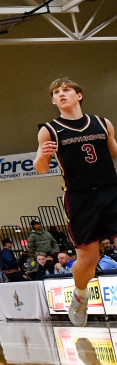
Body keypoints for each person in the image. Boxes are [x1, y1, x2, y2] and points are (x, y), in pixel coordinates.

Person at [34, 77, 117, 326]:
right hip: (79, 197)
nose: (62, 94)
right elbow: (40, 168)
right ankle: (80, 298)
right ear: (53, 100)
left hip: (111, 190)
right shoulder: (49, 129)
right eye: (57, 92)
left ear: (78, 95)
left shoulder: (102, 123)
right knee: (88, 260)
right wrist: (42, 155)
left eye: (67, 90)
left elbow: (114, 152)